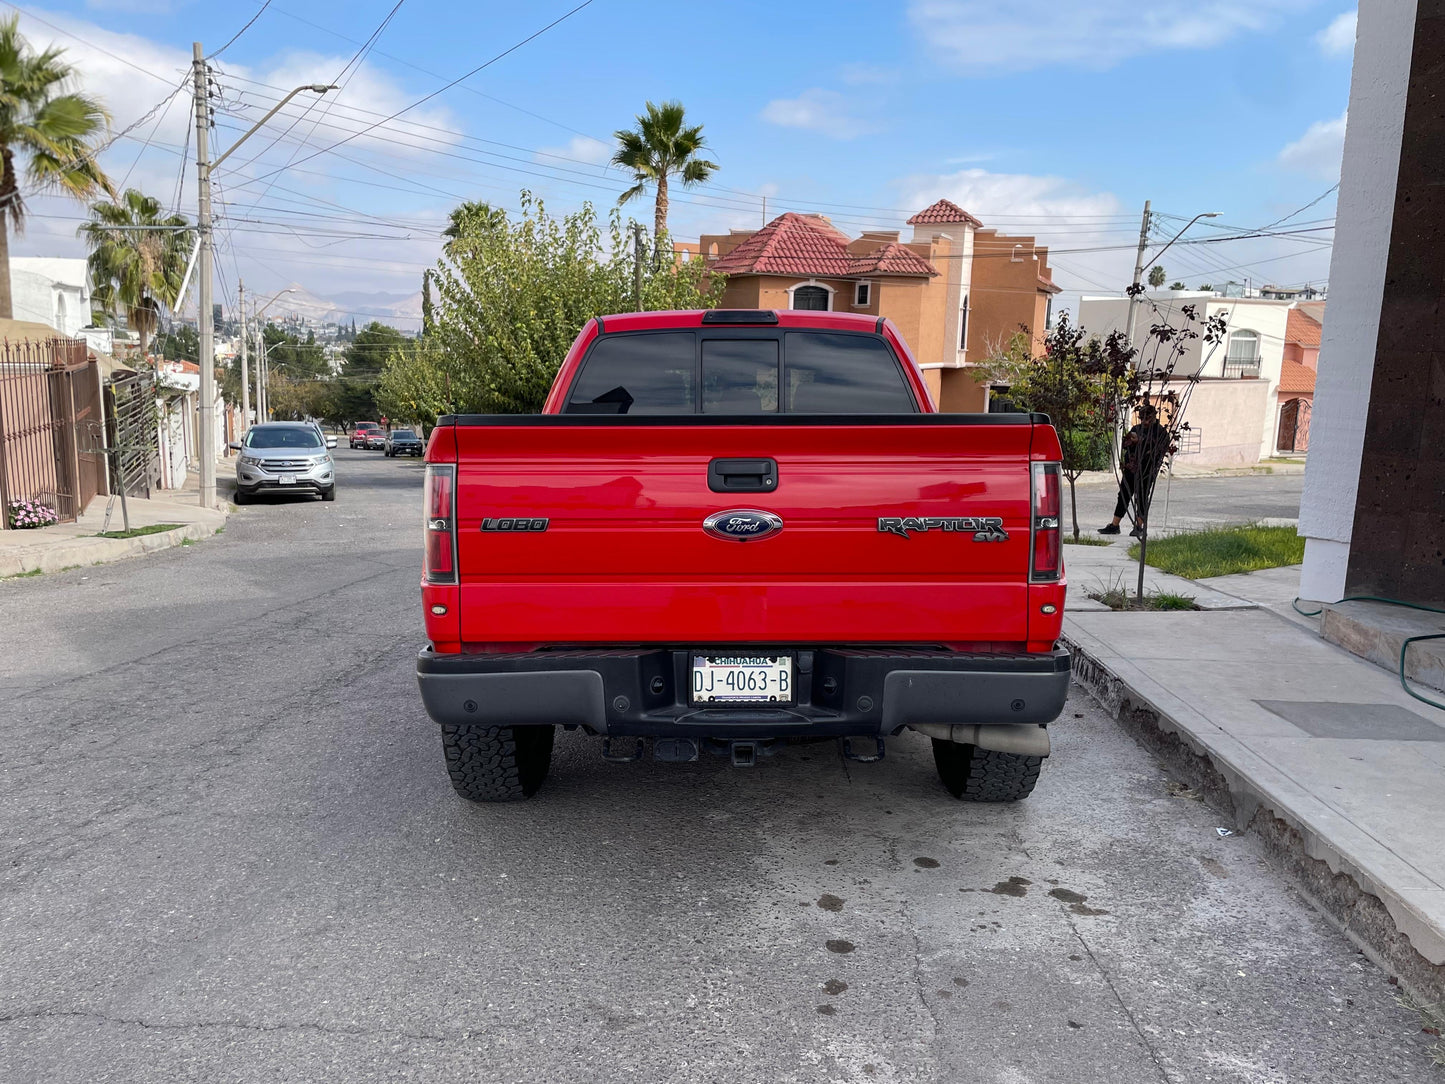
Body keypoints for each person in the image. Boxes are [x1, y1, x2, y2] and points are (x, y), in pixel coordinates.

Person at [1099, 405, 1170, 538]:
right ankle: (1114, 525)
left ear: (1154, 416)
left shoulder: (1160, 432)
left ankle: (1139, 526)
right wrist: (1130, 441)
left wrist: (1141, 441)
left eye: (1148, 418)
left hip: (1147, 470)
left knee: (1142, 497)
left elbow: (1159, 449)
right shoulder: (1136, 429)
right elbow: (1126, 445)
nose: (1145, 421)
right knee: (1123, 495)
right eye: (1142, 418)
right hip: (1131, 468)